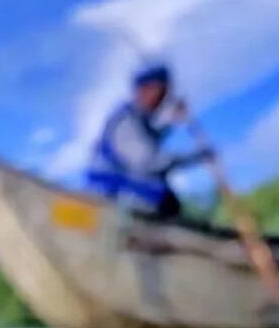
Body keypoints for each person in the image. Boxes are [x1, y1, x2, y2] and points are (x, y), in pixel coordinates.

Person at [85, 64, 214, 218]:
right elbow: (149, 162)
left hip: (125, 192)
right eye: (161, 94)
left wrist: (172, 120)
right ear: (145, 90)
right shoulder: (125, 120)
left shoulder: (139, 119)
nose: (161, 102)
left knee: (170, 202)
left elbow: (151, 137)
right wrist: (195, 157)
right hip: (113, 196)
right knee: (164, 199)